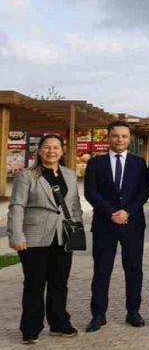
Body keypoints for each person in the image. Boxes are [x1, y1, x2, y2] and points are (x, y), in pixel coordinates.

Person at [7, 134, 82, 344]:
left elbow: (74, 204)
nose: (51, 151)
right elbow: (17, 206)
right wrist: (16, 234)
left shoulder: (69, 175)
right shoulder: (27, 175)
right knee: (35, 284)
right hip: (33, 237)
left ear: (62, 151)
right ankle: (30, 328)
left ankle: (59, 323)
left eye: (56, 147)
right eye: (47, 147)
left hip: (63, 236)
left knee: (60, 282)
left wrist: (77, 230)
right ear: (39, 151)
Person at [83, 121, 149, 333]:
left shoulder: (139, 163)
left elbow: (143, 192)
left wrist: (127, 212)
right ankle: (98, 315)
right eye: (115, 136)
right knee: (102, 271)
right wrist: (111, 212)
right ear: (108, 137)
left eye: (124, 136)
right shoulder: (95, 163)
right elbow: (91, 192)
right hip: (105, 224)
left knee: (133, 270)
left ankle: (133, 312)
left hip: (132, 225)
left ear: (130, 139)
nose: (120, 139)